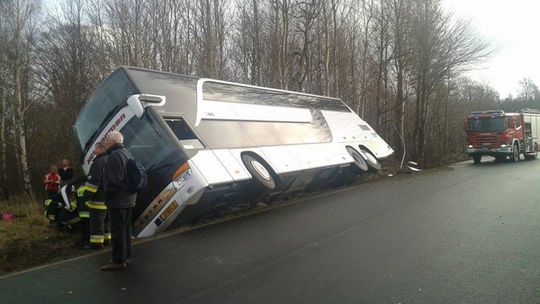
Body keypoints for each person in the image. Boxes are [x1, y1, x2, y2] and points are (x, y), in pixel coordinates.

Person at [101, 131, 136, 271]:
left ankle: (118, 261)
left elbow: (115, 180)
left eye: (107, 139)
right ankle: (125, 256)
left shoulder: (114, 155)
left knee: (117, 231)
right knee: (126, 230)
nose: (105, 142)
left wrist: (107, 193)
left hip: (118, 200)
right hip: (129, 198)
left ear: (113, 141)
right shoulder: (127, 152)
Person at [79, 141, 111, 249]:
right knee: (106, 222)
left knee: (97, 223)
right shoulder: (110, 159)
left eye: (96, 149)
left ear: (101, 149)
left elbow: (92, 183)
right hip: (109, 199)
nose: (94, 151)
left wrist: (85, 197)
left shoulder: (98, 163)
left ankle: (96, 244)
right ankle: (107, 240)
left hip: (98, 201)